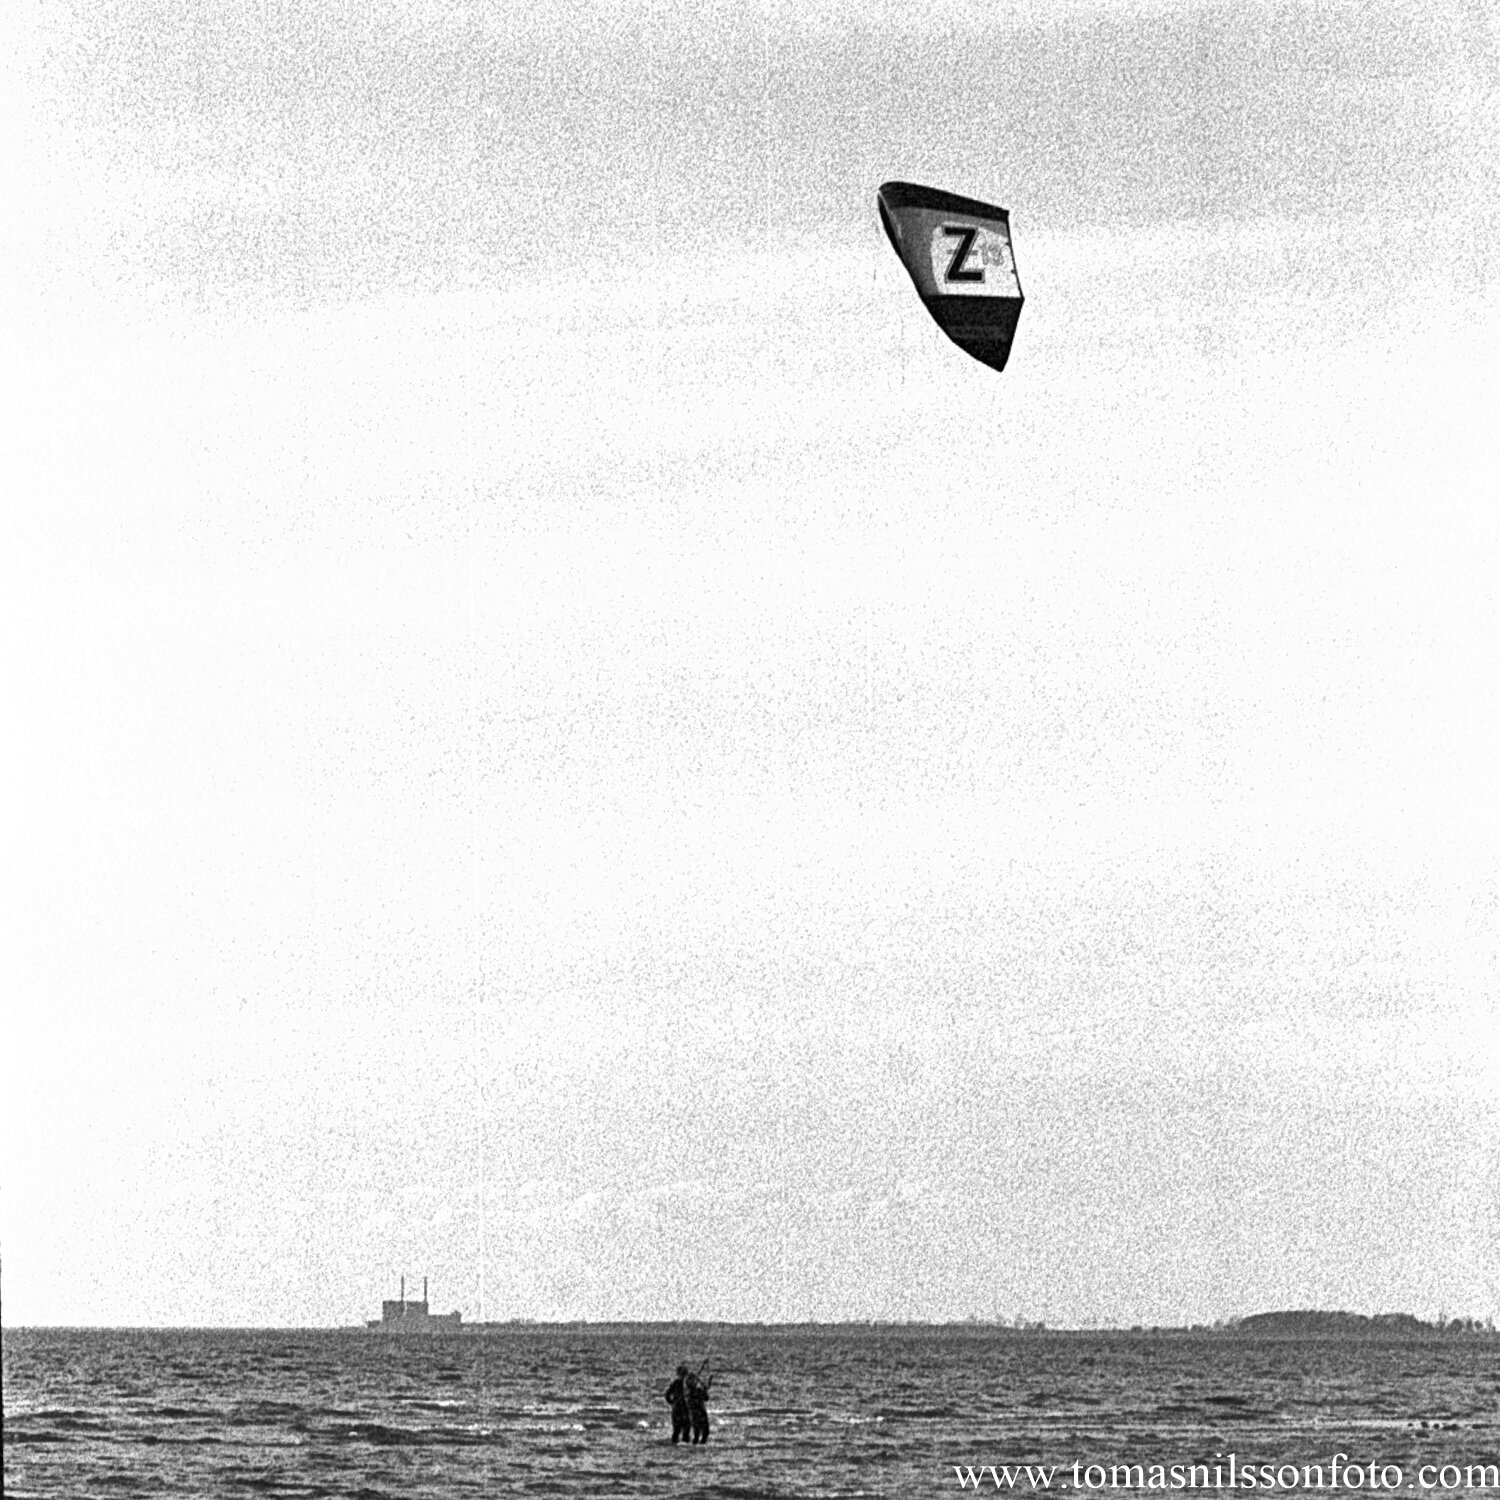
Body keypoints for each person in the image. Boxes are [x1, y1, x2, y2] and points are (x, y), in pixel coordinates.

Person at [664, 1363, 691, 1444]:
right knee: (685, 1431)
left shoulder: (675, 1383)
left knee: (676, 1431)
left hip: (676, 1409)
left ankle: (675, 1445)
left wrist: (672, 1403)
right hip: (684, 1410)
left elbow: (667, 1395)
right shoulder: (688, 1384)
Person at [686, 1367, 713, 1445]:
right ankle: (701, 1445)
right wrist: (705, 1386)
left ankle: (696, 1446)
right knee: (704, 1432)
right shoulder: (696, 1391)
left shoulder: (688, 1392)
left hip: (694, 1413)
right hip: (700, 1412)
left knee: (697, 1432)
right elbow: (706, 1398)